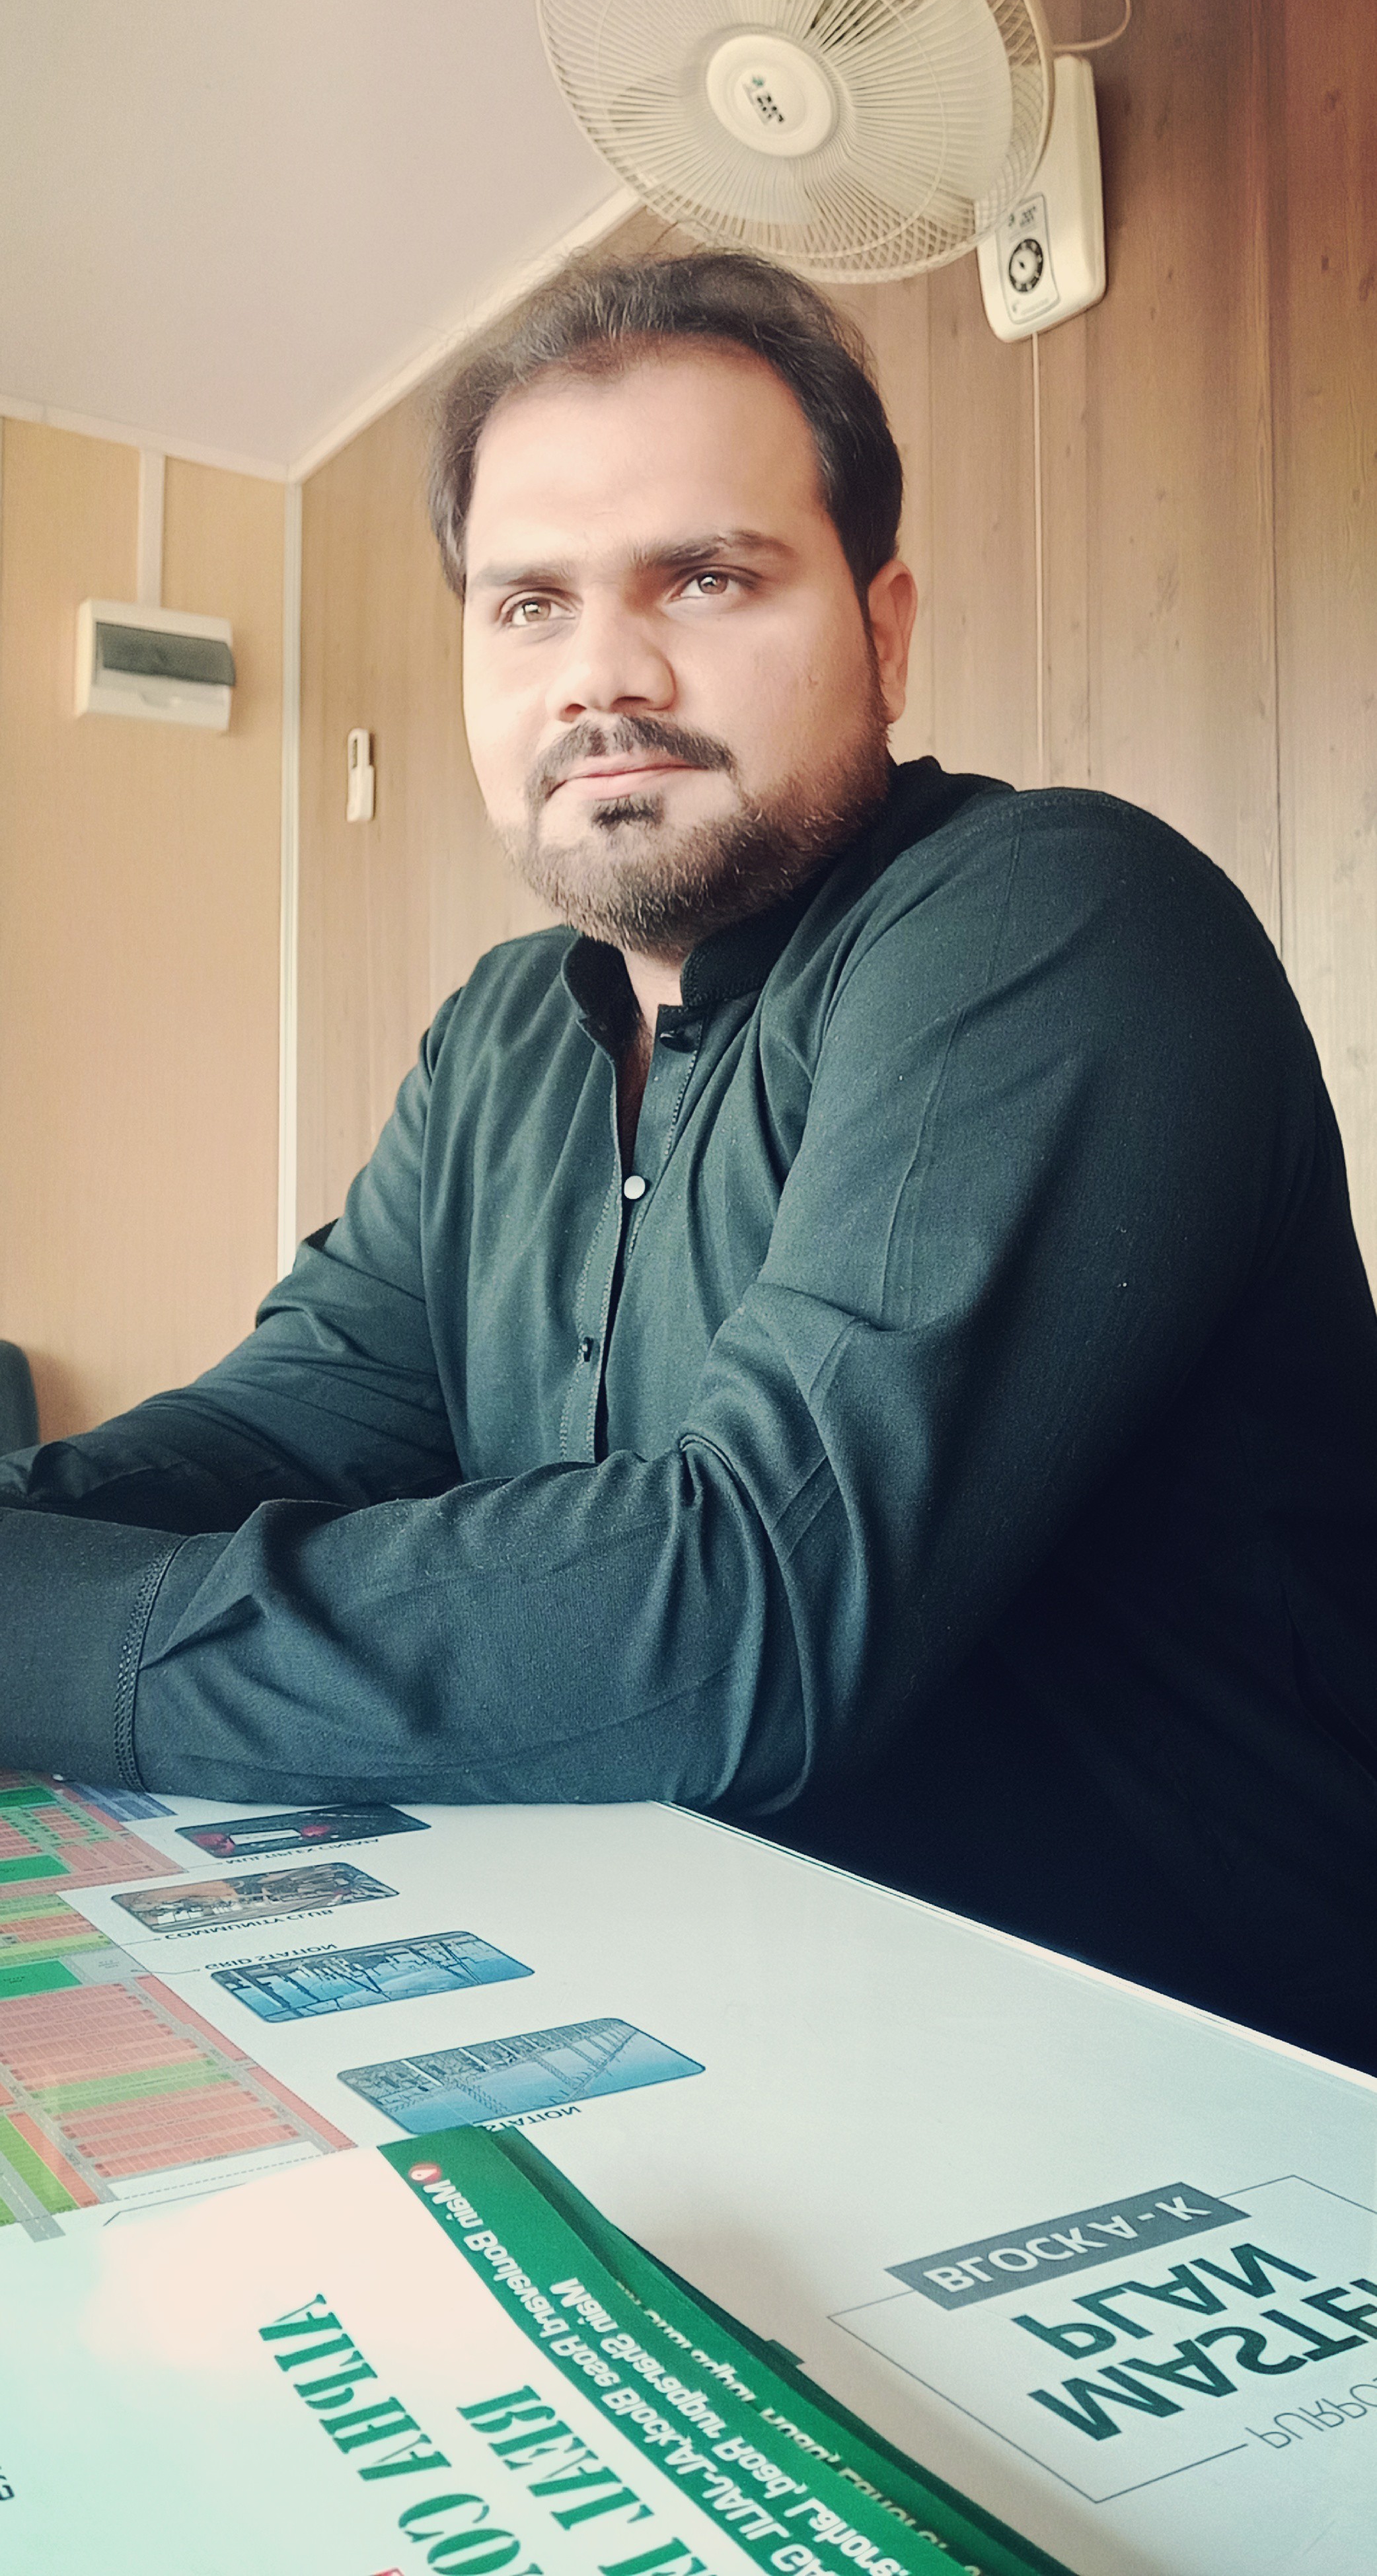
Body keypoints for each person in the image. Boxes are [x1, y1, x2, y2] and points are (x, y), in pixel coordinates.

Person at [3, 252, 1376, 2072]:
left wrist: (44, 1636)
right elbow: (292, 1421)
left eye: (705, 577)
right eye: (528, 605)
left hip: (1199, 2086)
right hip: (698, 2012)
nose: (602, 674)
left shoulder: (1053, 921)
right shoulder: (503, 1029)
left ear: (884, 632)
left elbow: (747, 1610)